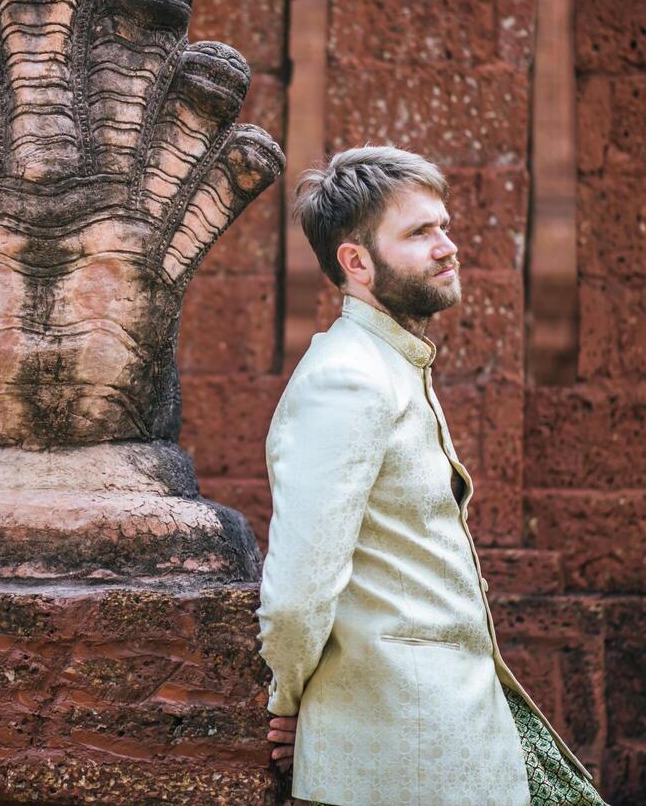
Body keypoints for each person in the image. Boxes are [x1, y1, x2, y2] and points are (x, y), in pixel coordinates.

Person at [256, 146, 607, 805]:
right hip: (400, 760)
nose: (447, 246)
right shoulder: (347, 379)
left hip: (456, 737)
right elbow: (299, 591)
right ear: (355, 263)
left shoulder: (392, 365)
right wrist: (287, 699)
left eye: (443, 227)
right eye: (419, 232)